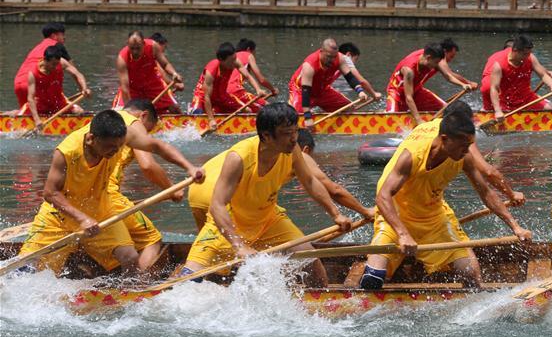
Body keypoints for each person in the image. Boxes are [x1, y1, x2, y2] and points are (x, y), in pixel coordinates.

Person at [178, 103, 351, 285]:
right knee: (188, 282)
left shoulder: (292, 150)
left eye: (295, 132)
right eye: (287, 134)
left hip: (269, 220)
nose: (294, 139)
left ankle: (320, 304)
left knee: (311, 261)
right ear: (266, 135)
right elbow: (217, 205)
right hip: (231, 223)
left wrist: (336, 214)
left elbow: (309, 182)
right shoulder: (239, 158)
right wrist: (239, 246)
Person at [358, 113, 531, 290]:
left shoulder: (463, 156)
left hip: (433, 217)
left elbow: (485, 192)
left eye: (469, 146)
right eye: (463, 146)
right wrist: (403, 234)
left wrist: (515, 226)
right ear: (445, 139)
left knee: (471, 275)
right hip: (395, 216)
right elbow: (383, 196)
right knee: (372, 278)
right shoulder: (411, 157)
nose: (467, 151)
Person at [17, 110, 198, 276]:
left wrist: (189, 167)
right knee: (27, 269)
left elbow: (157, 146)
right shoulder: (67, 152)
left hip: (101, 211)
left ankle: (126, 296)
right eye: (111, 146)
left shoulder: (123, 137)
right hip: (59, 217)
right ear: (90, 139)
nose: (116, 151)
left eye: (119, 146)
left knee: (129, 257)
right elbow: (50, 193)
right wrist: (82, 218)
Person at [187, 125, 372, 231]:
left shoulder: (258, 147)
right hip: (223, 199)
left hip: (197, 192)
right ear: (305, 149)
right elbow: (333, 189)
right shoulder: (298, 154)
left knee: (214, 249)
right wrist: (365, 211)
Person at [106, 99, 205, 270]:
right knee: (151, 241)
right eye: (148, 130)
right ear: (143, 116)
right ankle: (137, 289)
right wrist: (172, 189)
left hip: (86, 194)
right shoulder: (133, 123)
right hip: (109, 195)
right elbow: (148, 165)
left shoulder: (105, 121)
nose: (145, 134)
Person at [289, 38, 379, 122]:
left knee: (349, 109)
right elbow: (306, 91)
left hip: (322, 90)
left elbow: (350, 77)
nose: (331, 60)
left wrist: (360, 91)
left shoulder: (340, 58)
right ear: (321, 52)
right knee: (294, 118)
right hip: (300, 91)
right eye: (328, 57)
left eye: (334, 57)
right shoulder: (310, 65)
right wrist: (308, 117)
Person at [385, 44, 472, 125]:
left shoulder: (431, 56)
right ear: (428, 58)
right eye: (436, 63)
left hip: (416, 90)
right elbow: (408, 97)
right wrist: (418, 119)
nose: (437, 66)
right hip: (397, 94)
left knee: (446, 109)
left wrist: (462, 84)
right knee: (390, 119)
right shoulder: (409, 70)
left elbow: (448, 76)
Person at [481, 35, 552, 120]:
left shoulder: (530, 58)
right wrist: (498, 111)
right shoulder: (499, 65)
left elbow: (543, 75)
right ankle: (485, 111)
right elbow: (494, 88)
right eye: (525, 54)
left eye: (529, 53)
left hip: (527, 99)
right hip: (505, 102)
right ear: (515, 50)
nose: (527, 56)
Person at [189, 42, 263, 126]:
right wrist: (211, 120)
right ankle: (195, 111)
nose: (234, 62)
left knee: (247, 110)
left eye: (235, 58)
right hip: (202, 97)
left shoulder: (235, 62)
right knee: (197, 116)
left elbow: (248, 76)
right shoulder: (212, 70)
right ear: (221, 60)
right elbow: (207, 97)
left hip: (222, 96)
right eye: (231, 61)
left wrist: (258, 89)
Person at [13, 24, 84, 108]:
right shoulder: (57, 47)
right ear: (54, 36)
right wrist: (83, 90)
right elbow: (74, 71)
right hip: (36, 84)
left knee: (27, 112)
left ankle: (9, 117)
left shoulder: (38, 47)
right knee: (65, 108)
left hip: (19, 83)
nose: (64, 38)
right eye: (62, 34)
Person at [112, 31, 183, 114]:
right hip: (133, 90)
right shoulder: (122, 59)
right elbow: (125, 89)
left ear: (143, 43)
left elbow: (165, 64)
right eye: (132, 48)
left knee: (175, 109)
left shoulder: (153, 46)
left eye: (138, 48)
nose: (135, 52)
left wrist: (174, 73)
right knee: (123, 114)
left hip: (153, 86)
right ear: (127, 44)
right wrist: (130, 111)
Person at [20, 45, 88, 124]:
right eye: (53, 64)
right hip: (40, 106)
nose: (55, 67)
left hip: (58, 103)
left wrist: (84, 88)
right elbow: (30, 98)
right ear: (45, 60)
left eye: (57, 64)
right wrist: (37, 120)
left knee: (80, 112)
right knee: (18, 115)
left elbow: (78, 74)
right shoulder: (33, 73)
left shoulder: (61, 62)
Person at [228, 39, 278, 108]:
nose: (255, 54)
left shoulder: (230, 58)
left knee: (248, 107)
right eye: (254, 51)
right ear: (248, 49)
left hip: (224, 93)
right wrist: (273, 89)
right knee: (268, 108)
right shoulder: (248, 55)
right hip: (235, 91)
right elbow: (261, 80)